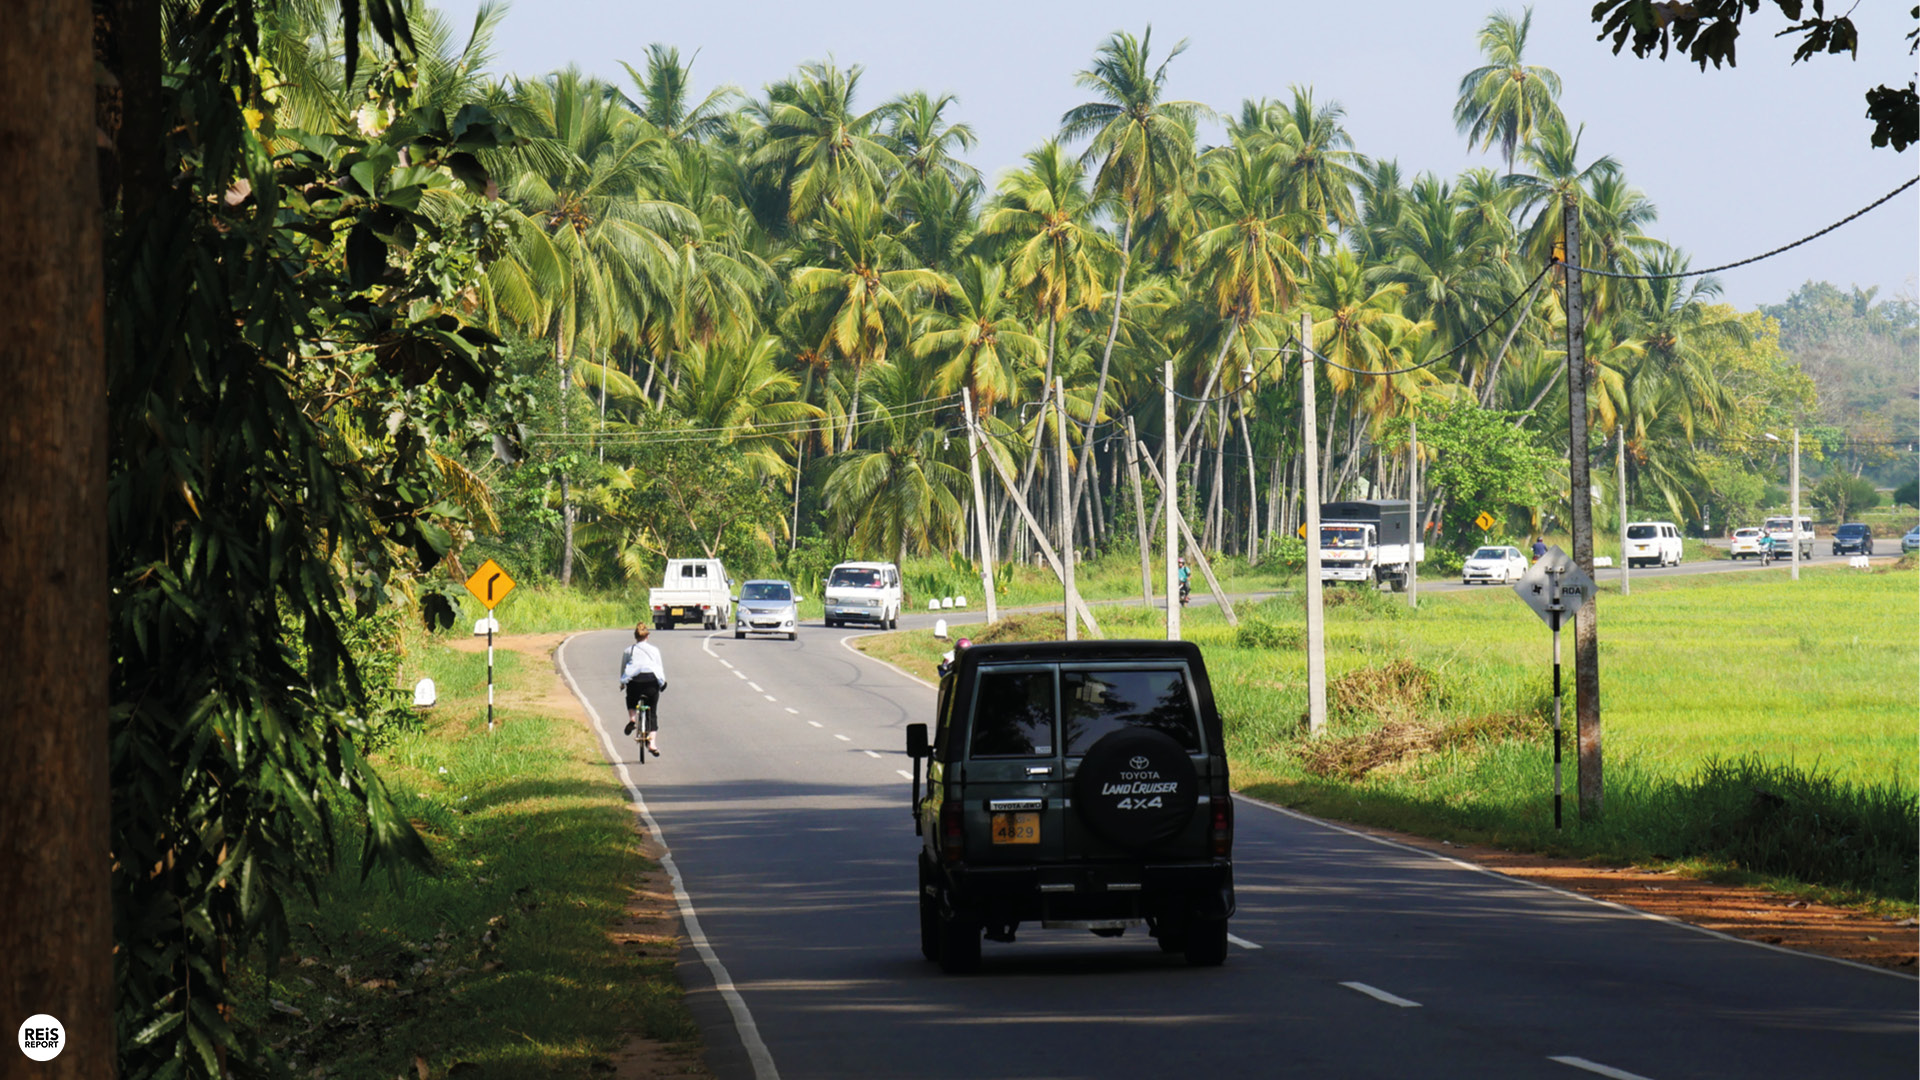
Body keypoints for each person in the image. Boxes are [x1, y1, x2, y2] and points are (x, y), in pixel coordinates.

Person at [620, 624, 667, 756]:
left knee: (631, 699)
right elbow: (659, 668)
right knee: (652, 712)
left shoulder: (629, 651)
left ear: (635, 637)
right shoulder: (655, 650)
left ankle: (632, 719)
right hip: (651, 682)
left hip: (635, 682)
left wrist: (622, 683)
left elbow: (624, 669)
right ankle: (652, 744)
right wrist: (662, 683)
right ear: (647, 636)